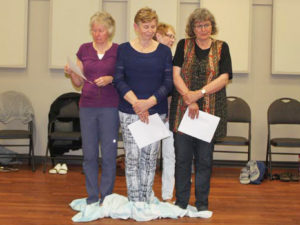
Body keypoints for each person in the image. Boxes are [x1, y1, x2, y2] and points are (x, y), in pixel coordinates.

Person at [169, 8, 232, 212]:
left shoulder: (222, 47)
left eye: (206, 25)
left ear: (211, 26)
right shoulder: (183, 45)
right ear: (192, 28)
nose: (203, 29)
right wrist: (189, 97)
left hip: (210, 112)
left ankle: (202, 204)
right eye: (198, 25)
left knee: (205, 160)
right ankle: (180, 203)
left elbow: (224, 78)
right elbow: (175, 75)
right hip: (183, 110)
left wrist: (199, 93)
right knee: (182, 160)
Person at [114, 7, 173, 204]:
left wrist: (148, 103)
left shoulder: (164, 51)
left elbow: (168, 83)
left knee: (149, 160)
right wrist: (137, 104)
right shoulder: (123, 49)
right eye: (145, 26)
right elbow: (119, 79)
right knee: (132, 159)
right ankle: (134, 202)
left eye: (152, 26)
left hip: (156, 111)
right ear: (135, 27)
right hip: (129, 110)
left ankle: (145, 201)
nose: (149, 30)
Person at [64, 11, 119, 206]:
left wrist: (110, 79)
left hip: (110, 107)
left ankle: (106, 196)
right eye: (94, 30)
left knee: (109, 154)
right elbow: (78, 82)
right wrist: (72, 73)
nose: (97, 34)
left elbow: (122, 78)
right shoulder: (84, 49)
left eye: (101, 30)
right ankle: (92, 196)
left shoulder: (118, 51)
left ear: (109, 31)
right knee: (89, 154)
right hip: (87, 106)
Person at [153, 23, 176, 203]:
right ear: (158, 36)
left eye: (173, 36)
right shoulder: (150, 57)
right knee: (149, 157)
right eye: (169, 35)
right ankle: (147, 194)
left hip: (170, 115)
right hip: (152, 113)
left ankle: (167, 196)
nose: (172, 39)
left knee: (170, 155)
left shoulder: (176, 60)